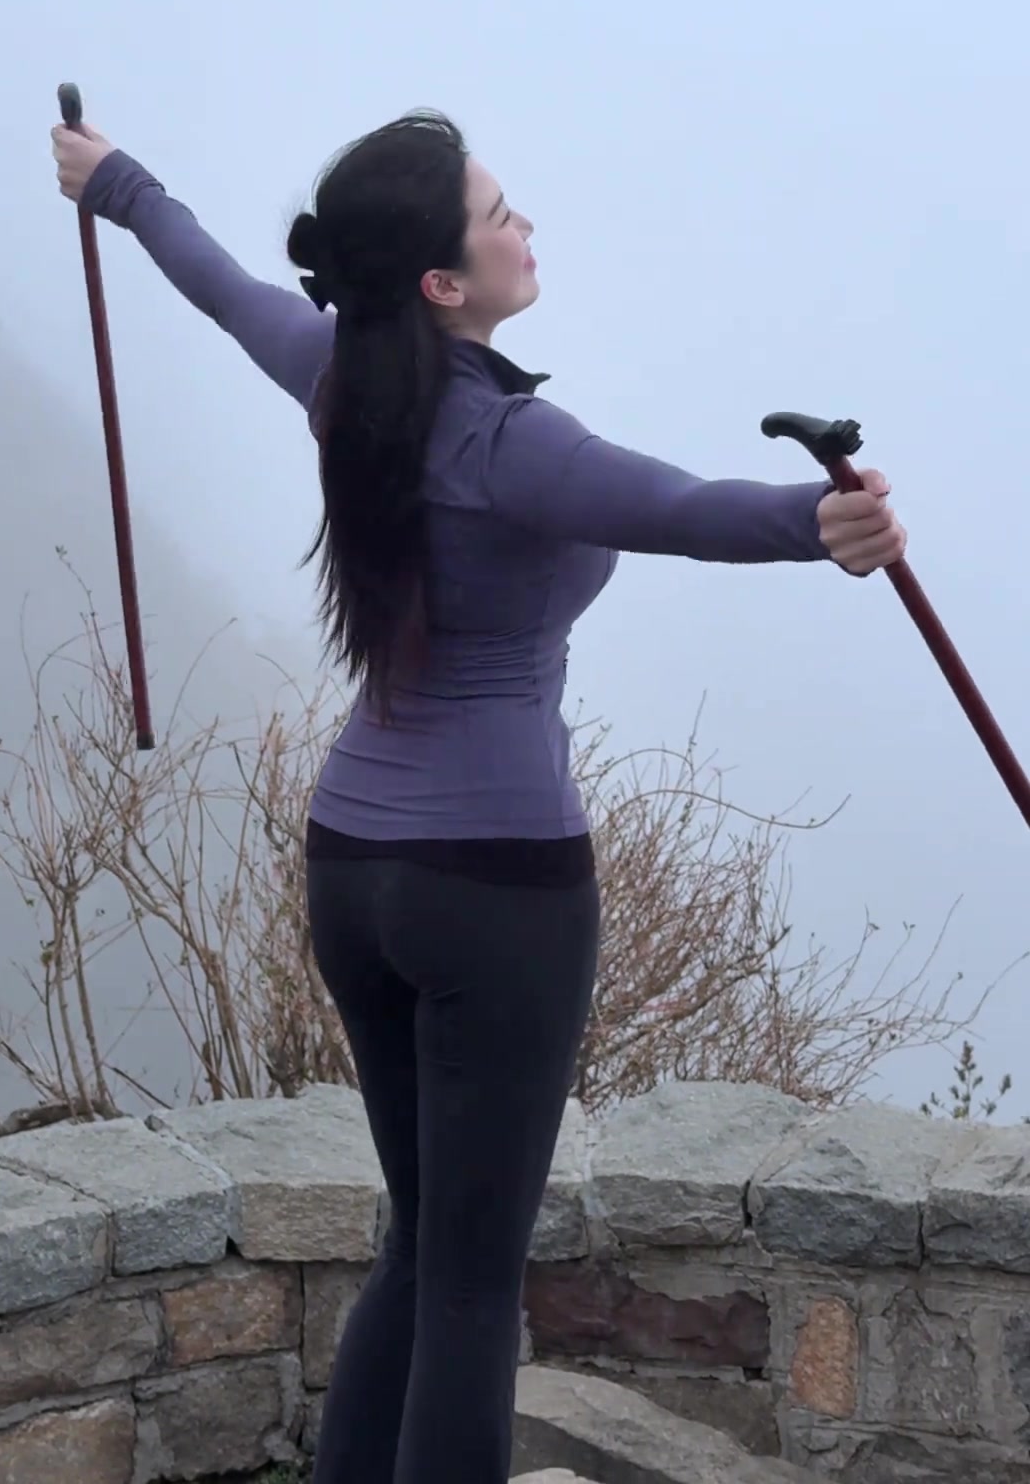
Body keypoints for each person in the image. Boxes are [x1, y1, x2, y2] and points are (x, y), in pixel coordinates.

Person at [51, 109, 906, 1484]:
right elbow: (674, 503)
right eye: (499, 213)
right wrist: (819, 525)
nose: (525, 227)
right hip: (496, 887)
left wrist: (112, 183)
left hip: (354, 870)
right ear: (442, 285)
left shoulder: (336, 368)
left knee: (419, 1238)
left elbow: (211, 278)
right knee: (470, 1284)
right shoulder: (511, 443)